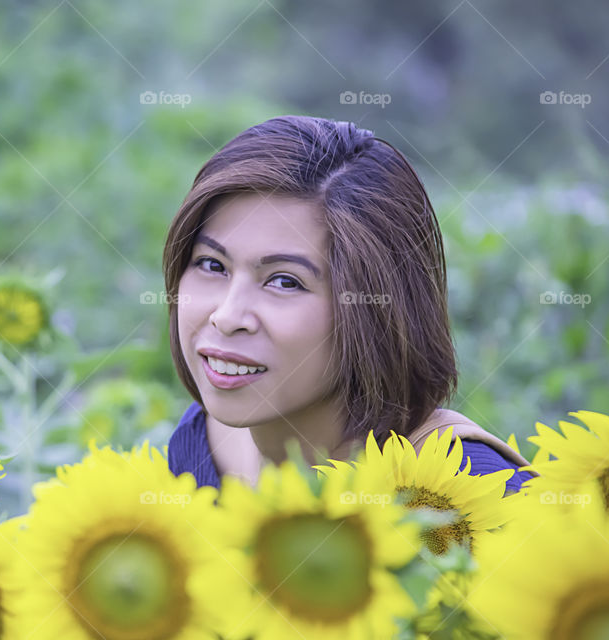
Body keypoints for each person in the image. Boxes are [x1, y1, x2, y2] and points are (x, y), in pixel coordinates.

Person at [162, 115, 534, 495]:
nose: (226, 317)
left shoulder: (476, 492)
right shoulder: (198, 449)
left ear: (377, 308)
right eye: (212, 265)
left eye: (285, 281)